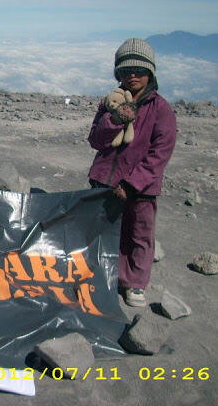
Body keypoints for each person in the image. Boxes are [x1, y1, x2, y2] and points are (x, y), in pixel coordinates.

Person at [88, 39, 176, 307]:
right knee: (102, 230)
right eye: (127, 71)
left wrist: (132, 183)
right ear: (119, 74)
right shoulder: (110, 104)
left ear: (150, 73)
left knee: (138, 234)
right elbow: (96, 140)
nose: (133, 75)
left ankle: (134, 283)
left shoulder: (161, 109)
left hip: (141, 189)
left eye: (139, 70)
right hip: (104, 181)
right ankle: (101, 275)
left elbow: (160, 153)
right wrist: (114, 121)